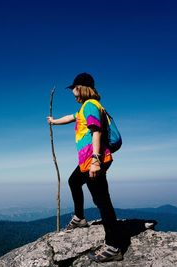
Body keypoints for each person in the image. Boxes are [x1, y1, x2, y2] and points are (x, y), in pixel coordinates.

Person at [47, 72, 123, 263]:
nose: (72, 93)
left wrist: (96, 160)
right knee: (74, 181)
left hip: (94, 160)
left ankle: (113, 246)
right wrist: (54, 121)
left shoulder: (90, 106)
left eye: (73, 89)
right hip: (87, 161)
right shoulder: (84, 109)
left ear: (81, 88)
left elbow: (96, 131)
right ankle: (80, 217)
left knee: (102, 201)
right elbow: (70, 117)